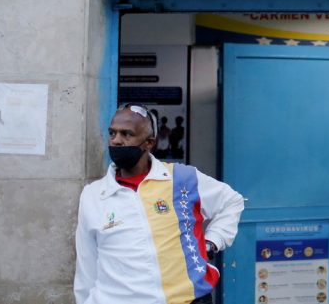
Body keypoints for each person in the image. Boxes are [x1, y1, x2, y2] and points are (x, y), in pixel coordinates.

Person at [74, 103, 245, 304]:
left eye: (127, 134)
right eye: (113, 133)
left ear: (149, 143)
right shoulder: (94, 195)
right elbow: (86, 267)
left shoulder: (182, 179)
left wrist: (212, 242)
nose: (117, 140)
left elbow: (231, 201)